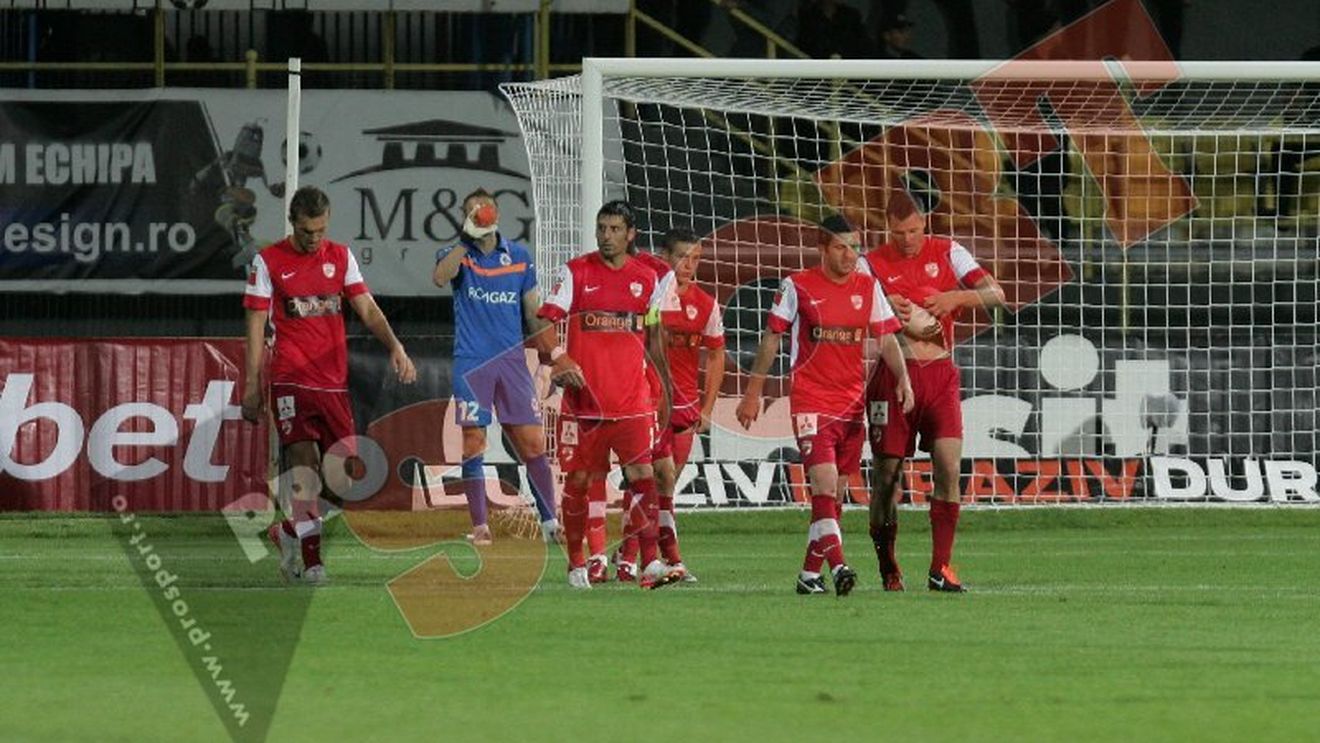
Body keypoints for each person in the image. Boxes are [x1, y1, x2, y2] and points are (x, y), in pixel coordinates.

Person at [241, 185, 417, 585]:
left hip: (333, 382)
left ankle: (288, 531)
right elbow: (254, 325)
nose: (314, 239)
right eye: (307, 232)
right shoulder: (267, 262)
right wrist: (253, 384)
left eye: (320, 231)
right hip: (290, 378)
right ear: (293, 224)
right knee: (305, 467)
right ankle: (313, 562)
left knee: (345, 480)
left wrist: (395, 346)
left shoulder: (340, 257)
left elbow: (367, 308)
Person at [736, 215, 912, 596]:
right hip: (811, 402)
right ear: (822, 249)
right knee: (825, 484)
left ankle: (808, 574)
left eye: (855, 247)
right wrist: (753, 392)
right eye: (840, 247)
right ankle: (839, 567)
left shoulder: (867, 287)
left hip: (852, 406)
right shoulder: (797, 285)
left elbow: (885, 339)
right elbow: (771, 339)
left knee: (834, 497)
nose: (850, 255)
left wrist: (904, 379)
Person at [862, 195, 1006, 593]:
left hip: (941, 375)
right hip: (893, 377)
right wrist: (882, 306)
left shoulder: (948, 251)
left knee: (948, 468)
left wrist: (954, 298)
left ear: (924, 223)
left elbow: (997, 294)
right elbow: (850, 310)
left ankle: (940, 567)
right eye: (899, 232)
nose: (907, 239)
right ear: (886, 227)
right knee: (887, 477)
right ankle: (888, 566)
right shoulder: (870, 263)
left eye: (913, 231)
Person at [537, 200, 681, 590]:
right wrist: (560, 356)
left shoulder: (648, 278)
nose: (606, 236)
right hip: (585, 403)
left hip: (632, 399)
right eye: (602, 228)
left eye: (615, 229)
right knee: (581, 480)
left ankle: (650, 562)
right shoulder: (577, 272)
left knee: (642, 476)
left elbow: (653, 337)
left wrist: (664, 389)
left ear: (630, 234)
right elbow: (543, 321)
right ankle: (577, 561)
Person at [432, 188, 573, 546]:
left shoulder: (520, 257)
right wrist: (466, 239)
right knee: (473, 442)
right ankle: (480, 527)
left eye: (483, 208)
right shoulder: (456, 256)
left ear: (496, 212)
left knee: (532, 444)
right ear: (464, 218)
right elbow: (439, 277)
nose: (479, 213)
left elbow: (532, 313)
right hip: (473, 363)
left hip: (511, 363)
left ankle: (550, 521)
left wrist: (550, 357)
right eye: (471, 210)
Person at [611, 228, 727, 583]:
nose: (689, 266)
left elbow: (717, 353)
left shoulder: (705, 304)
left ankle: (628, 554)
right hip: (645, 401)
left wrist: (707, 409)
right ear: (664, 257)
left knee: (665, 484)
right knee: (653, 481)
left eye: (695, 259)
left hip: (683, 408)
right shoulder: (648, 297)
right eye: (682, 257)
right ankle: (659, 558)